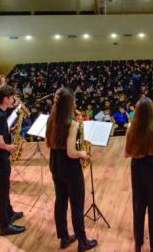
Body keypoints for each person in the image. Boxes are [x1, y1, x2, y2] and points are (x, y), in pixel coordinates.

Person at [46, 88, 98, 251]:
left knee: (60, 201)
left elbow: (51, 144)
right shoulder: (72, 124)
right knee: (76, 205)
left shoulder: (51, 120)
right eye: (73, 101)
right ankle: (82, 242)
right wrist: (82, 153)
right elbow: (71, 152)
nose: (75, 104)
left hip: (55, 164)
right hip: (70, 167)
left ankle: (64, 238)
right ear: (69, 104)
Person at [123, 97, 153, 252]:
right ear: (151, 112)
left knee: (138, 207)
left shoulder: (130, 129)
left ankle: (138, 242)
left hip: (136, 168)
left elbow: (126, 154)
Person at [0, 85, 25, 236]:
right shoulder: (1, 116)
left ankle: (9, 214)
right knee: (2, 193)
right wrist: (10, 147)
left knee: (4, 190)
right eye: (12, 97)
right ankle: (4, 226)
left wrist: (8, 131)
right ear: (6, 99)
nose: (13, 99)